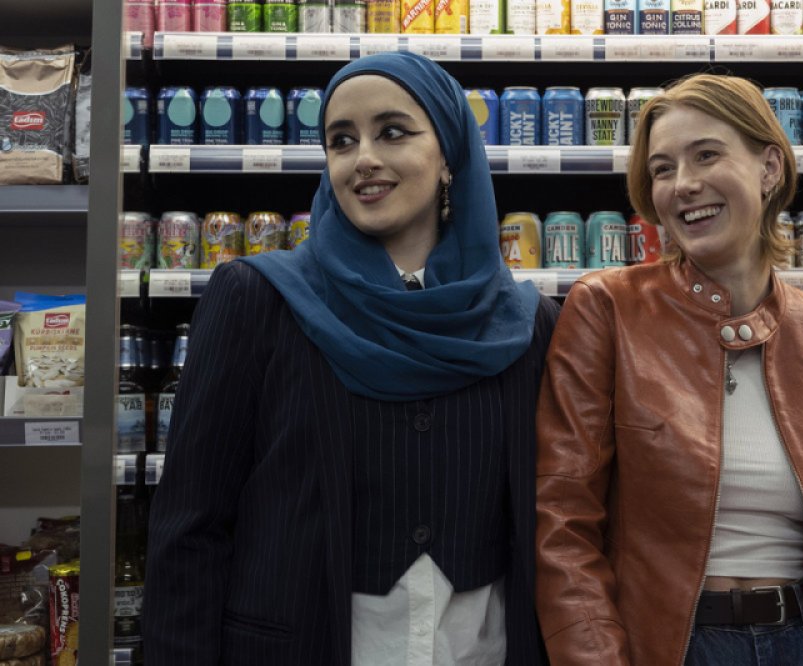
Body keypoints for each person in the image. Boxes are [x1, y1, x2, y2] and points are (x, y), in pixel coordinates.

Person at [144, 51, 558, 665]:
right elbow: (191, 527)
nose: (363, 157)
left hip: (476, 647)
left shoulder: (525, 324)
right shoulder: (260, 300)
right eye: (341, 140)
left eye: (392, 132)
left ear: (449, 154)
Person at [534, 73, 803, 666]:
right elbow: (562, 524)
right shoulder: (608, 309)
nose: (683, 185)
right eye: (662, 169)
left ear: (769, 167)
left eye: (707, 155)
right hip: (670, 646)